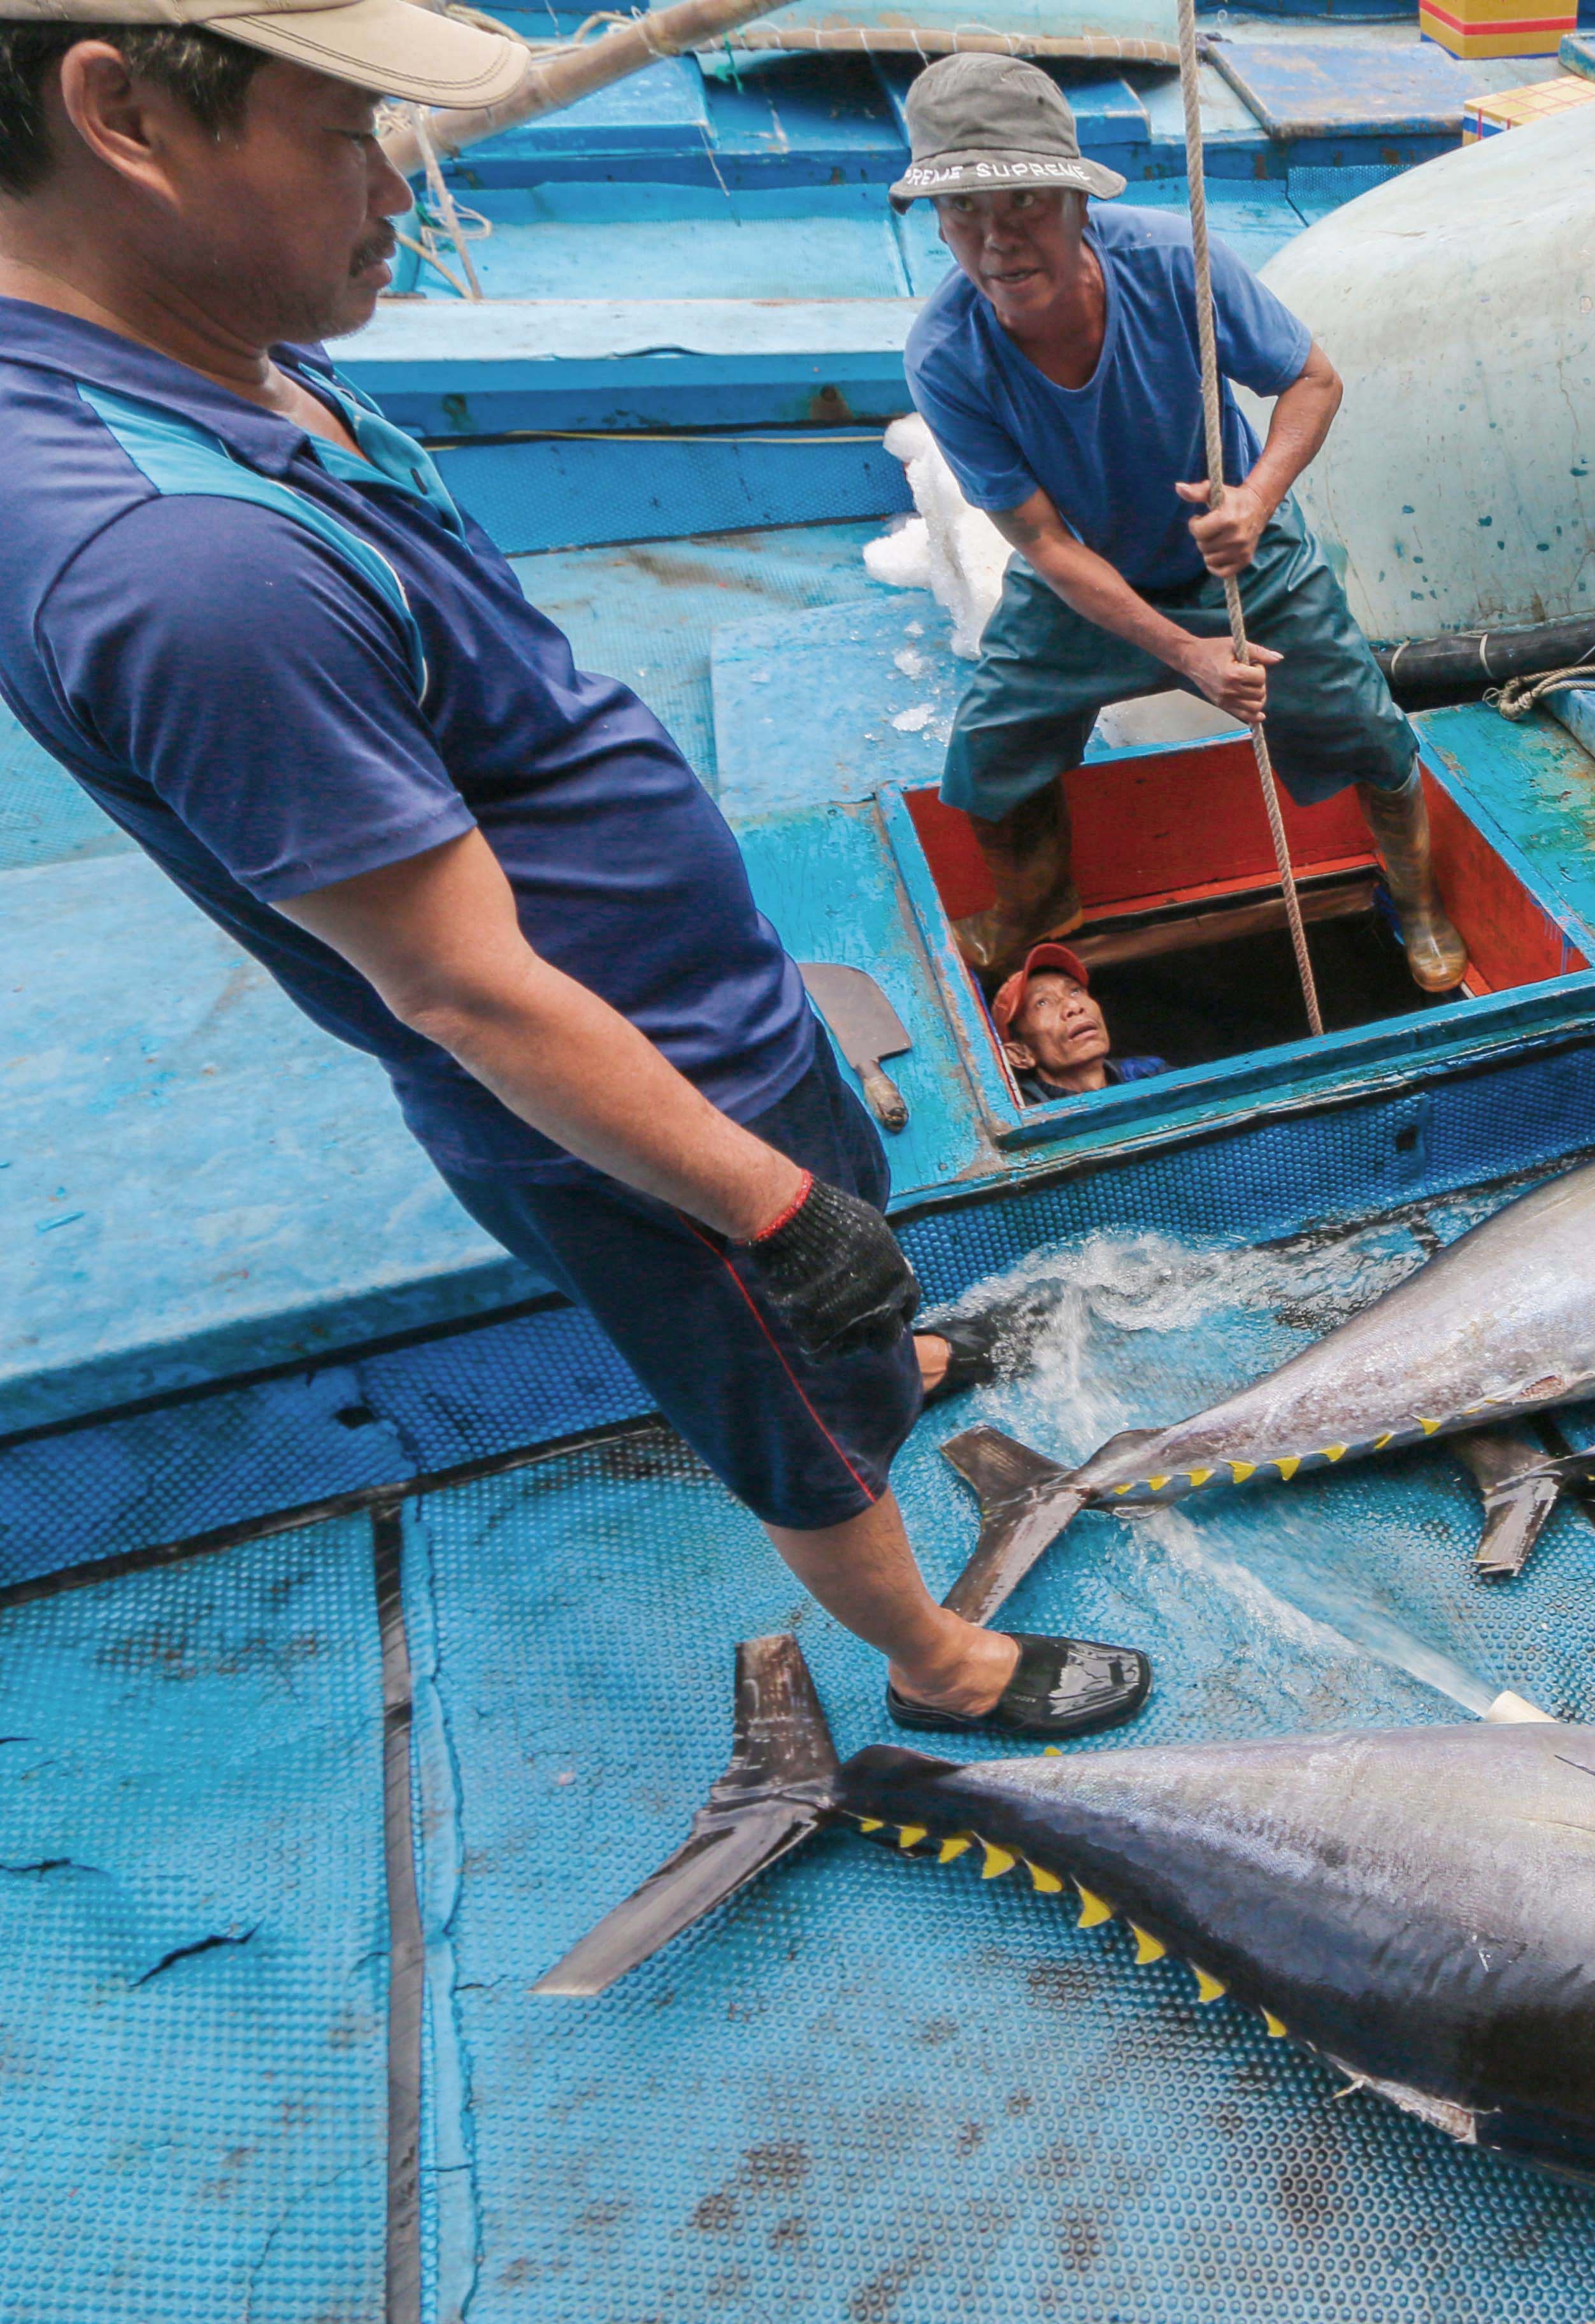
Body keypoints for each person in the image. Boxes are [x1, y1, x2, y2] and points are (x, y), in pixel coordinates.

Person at [0, 0, 1143, 1737]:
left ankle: (882, 1370)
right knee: (786, 1405)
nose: (397, 189)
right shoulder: (182, 566)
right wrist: (767, 1213)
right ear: (125, 117)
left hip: (703, 1012)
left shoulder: (215, 351)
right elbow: (464, 987)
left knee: (837, 1329)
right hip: (642, 1115)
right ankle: (940, 1661)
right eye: (343, 133)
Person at [897, 54, 1465, 999]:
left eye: (1025, 205)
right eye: (965, 215)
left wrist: (1256, 499)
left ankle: (1419, 903)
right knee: (991, 751)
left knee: (1370, 731)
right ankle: (1038, 909)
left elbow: (1311, 380)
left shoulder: (1173, 263)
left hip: (1243, 566)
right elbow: (1040, 544)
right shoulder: (946, 353)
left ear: (1081, 202)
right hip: (1081, 571)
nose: (995, 243)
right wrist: (1186, 654)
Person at [993, 941, 1162, 1101]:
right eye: (1043, 1002)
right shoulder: (1023, 1113)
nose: (1074, 1006)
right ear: (1020, 1054)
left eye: (1075, 991)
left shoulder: (1148, 1073)